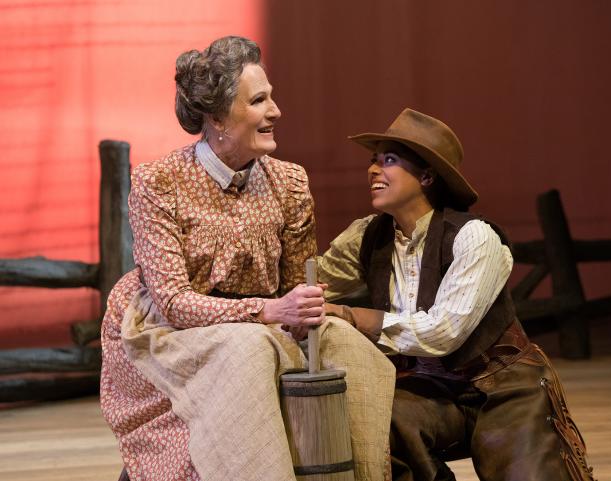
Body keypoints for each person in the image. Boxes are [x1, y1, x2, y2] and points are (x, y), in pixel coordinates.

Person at [100, 36, 394, 481]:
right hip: (172, 328)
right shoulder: (159, 183)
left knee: (347, 346)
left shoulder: (290, 182)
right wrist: (268, 311)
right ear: (217, 117)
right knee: (248, 350)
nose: (276, 112)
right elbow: (174, 302)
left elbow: (295, 283)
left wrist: (304, 307)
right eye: (259, 100)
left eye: (271, 97)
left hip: (262, 325)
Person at [319, 108, 595, 481]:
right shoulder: (368, 236)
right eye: (372, 160)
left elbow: (445, 331)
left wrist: (355, 316)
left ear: (427, 176)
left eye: (389, 160)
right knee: (378, 427)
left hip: (501, 388)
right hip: (429, 391)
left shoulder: (474, 237)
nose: (373, 170)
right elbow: (313, 283)